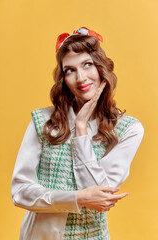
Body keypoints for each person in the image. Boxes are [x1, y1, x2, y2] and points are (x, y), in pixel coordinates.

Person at [11, 27, 144, 240]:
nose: (81, 77)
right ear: (63, 78)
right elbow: (20, 192)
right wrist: (78, 198)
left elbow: (100, 199)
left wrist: (81, 129)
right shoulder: (43, 121)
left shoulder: (128, 129)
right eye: (70, 70)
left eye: (87, 64)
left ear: (101, 68)